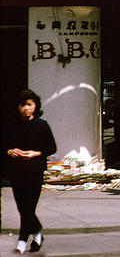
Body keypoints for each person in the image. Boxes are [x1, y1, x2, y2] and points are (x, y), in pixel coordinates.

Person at [4, 89, 56, 253]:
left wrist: (36, 153)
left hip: (34, 172)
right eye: (22, 105)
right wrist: (9, 151)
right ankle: (38, 232)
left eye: (29, 104)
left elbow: (52, 147)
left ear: (35, 106)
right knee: (22, 208)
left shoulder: (42, 125)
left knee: (28, 208)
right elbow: (4, 145)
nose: (25, 108)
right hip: (16, 171)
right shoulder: (12, 125)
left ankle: (21, 242)